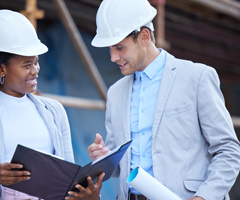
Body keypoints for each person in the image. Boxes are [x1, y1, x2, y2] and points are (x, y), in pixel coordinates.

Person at [87, 0, 240, 200]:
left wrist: (204, 197)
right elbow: (119, 165)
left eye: (120, 48)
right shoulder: (116, 93)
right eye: (110, 49)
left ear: (144, 37)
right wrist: (104, 158)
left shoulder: (197, 77)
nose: (113, 57)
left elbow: (228, 150)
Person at [0, 9, 103, 200]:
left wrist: (87, 195)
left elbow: (69, 181)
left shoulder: (54, 111)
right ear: (2, 69)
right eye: (27, 65)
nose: (35, 70)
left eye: (37, 62)